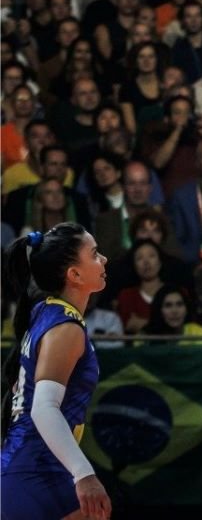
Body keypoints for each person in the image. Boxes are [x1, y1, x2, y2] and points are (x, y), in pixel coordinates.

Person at [0, 223, 112, 520]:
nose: (104, 260)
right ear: (74, 275)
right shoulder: (64, 327)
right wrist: (84, 474)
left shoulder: (46, 310)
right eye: (95, 254)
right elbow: (44, 408)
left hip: (35, 466)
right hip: (36, 470)